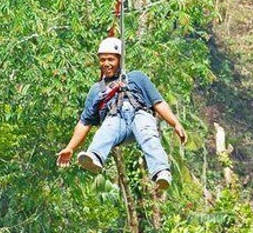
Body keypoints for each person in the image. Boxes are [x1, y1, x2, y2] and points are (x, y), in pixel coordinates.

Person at [56, 37, 187, 190]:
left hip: (140, 117)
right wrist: (70, 147)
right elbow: (84, 122)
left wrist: (175, 123)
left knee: (146, 132)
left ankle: (161, 171)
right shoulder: (97, 90)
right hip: (117, 124)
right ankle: (95, 156)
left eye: (110, 59)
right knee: (108, 126)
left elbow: (158, 103)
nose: (106, 64)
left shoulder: (137, 78)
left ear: (119, 60)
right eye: (102, 60)